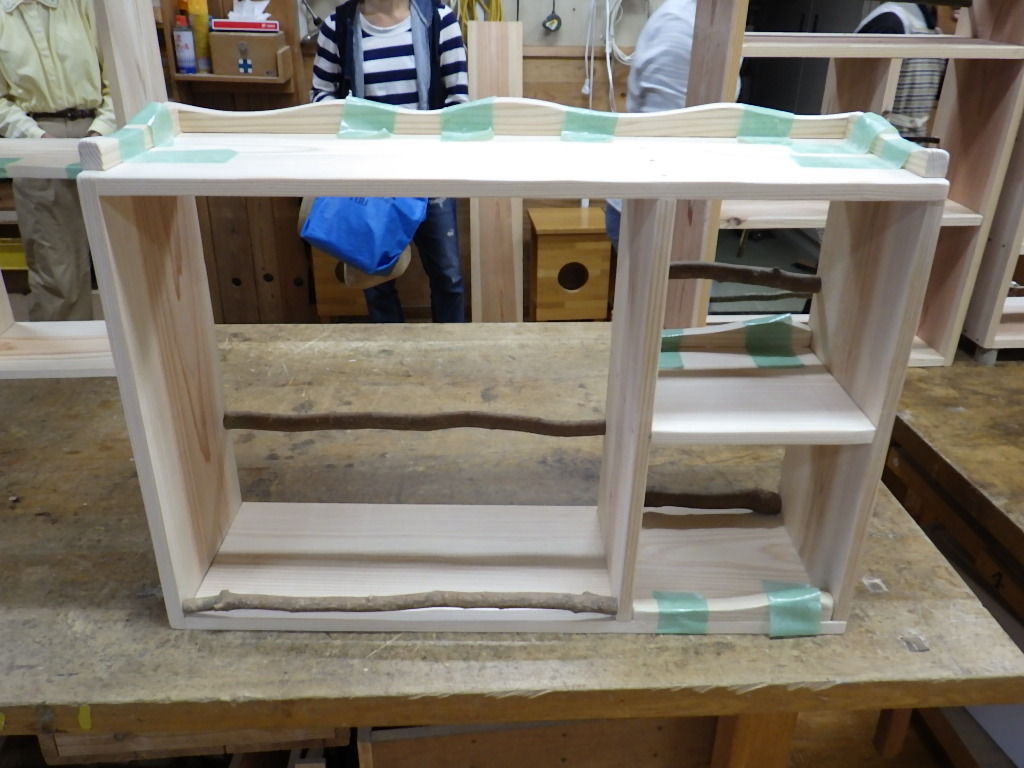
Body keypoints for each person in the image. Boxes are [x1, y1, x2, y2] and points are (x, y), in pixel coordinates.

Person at [310, 0, 468, 323]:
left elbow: (459, 103)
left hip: (430, 175)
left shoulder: (440, 20)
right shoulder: (337, 27)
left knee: (448, 278)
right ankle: (389, 351)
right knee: (374, 282)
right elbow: (320, 98)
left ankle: (450, 350)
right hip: (368, 178)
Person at [0, 0, 115, 321]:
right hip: (35, 136)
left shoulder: (85, 5)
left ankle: (140, 347)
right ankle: (67, 351)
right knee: (57, 269)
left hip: (104, 132)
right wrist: (37, 138)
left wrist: (101, 130)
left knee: (128, 254)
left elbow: (118, 76)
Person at [605, 0, 697, 248]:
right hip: (651, 207)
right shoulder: (680, 26)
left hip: (667, 200)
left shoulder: (706, 21)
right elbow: (663, 133)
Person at [856, 3, 946, 139]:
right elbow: (857, 93)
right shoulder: (890, 22)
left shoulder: (931, 27)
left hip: (910, 139)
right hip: (882, 138)